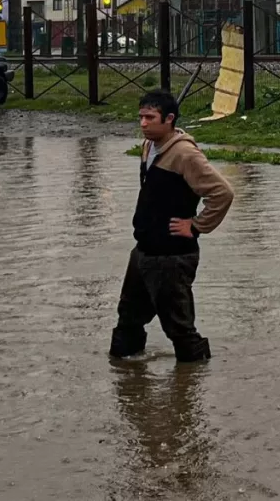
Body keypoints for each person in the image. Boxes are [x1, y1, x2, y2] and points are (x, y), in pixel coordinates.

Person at [109, 89, 235, 362]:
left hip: (172, 256)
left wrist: (198, 225)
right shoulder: (148, 146)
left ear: (169, 119)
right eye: (140, 117)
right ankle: (126, 379)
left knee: (179, 328)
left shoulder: (185, 154)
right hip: (143, 251)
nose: (143, 123)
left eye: (150, 118)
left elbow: (222, 193)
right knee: (128, 319)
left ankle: (193, 379)